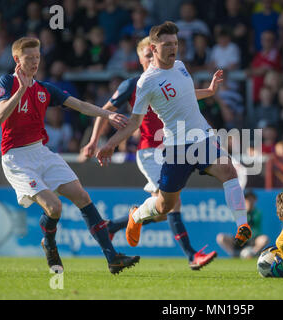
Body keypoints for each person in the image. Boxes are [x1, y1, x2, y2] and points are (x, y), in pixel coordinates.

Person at [96, 22, 252, 252]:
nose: (173, 48)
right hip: (176, 147)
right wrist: (110, 143)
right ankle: (136, 216)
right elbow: (135, 123)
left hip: (202, 137)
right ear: (154, 47)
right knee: (164, 205)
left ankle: (242, 226)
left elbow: (184, 94)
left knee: (229, 171)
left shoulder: (180, 66)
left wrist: (209, 91)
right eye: (167, 44)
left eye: (176, 43)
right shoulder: (146, 82)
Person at [0, 37, 138, 274]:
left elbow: (80, 105)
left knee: (81, 196)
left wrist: (107, 114)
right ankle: (49, 244)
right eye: (29, 58)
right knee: (55, 207)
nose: (34, 62)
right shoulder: (6, 82)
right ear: (16, 59)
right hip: (16, 158)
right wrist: (20, 91)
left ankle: (113, 258)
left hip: (40, 151)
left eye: (37, 57)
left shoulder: (44, 88)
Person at [83, 36, 217, 270]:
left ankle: (112, 227)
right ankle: (192, 256)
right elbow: (104, 112)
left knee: (163, 212)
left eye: (153, 54)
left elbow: (187, 95)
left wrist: (210, 90)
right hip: (150, 152)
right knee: (173, 205)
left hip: (173, 149)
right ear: (141, 58)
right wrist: (95, 140)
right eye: (147, 55)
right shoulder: (133, 85)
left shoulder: (169, 78)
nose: (152, 59)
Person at [217, 190, 269, 259]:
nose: (250, 201)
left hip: (253, 240)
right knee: (221, 237)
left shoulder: (257, 212)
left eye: (251, 199)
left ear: (255, 200)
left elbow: (252, 221)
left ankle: (252, 253)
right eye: (248, 199)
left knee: (264, 239)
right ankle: (234, 254)